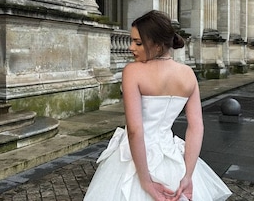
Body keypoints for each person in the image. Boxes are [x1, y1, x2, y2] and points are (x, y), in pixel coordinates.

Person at [84, 10, 232, 201]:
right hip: (172, 159)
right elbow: (196, 127)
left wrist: (145, 181)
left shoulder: (133, 71)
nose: (131, 48)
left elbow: (136, 130)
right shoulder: (188, 74)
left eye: (138, 42)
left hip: (137, 159)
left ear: (157, 43)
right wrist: (187, 175)